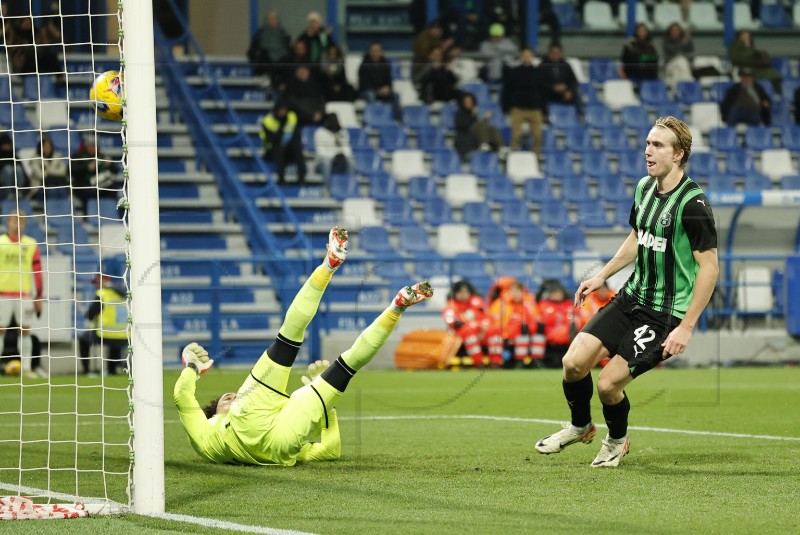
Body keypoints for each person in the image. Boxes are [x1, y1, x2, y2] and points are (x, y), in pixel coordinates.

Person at [535, 116, 719, 467]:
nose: (648, 151)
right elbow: (638, 237)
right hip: (632, 296)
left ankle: (617, 441)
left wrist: (687, 326)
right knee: (573, 363)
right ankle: (580, 425)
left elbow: (710, 268)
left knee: (607, 385)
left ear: (679, 154)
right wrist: (602, 275)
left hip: (666, 313)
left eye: (658, 145)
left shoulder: (693, 206)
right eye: (648, 143)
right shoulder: (644, 188)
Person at [175, 227, 434, 465]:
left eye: (230, 396)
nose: (231, 397)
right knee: (288, 338)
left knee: (346, 366)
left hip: (280, 444)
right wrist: (192, 368)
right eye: (226, 399)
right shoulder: (207, 434)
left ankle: (397, 307)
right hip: (249, 421)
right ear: (213, 415)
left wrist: (324, 405)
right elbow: (181, 397)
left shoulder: (209, 442)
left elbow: (329, 451)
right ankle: (328, 265)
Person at [0, 211, 44, 377]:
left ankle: (26, 368)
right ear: (8, 223)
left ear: (25, 224)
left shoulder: (31, 244)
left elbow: (37, 271)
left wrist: (38, 295)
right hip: (2, 294)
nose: (17, 224)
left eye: (20, 221)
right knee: (0, 330)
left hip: (23, 295)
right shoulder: (1, 242)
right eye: (13, 221)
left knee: (25, 329)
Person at [78, 266, 128, 376]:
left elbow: (90, 314)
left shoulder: (102, 294)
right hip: (125, 335)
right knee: (114, 344)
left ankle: (87, 371)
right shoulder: (123, 294)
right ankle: (112, 370)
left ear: (104, 280)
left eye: (97, 281)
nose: (96, 285)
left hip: (105, 333)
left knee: (83, 339)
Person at [442, 280, 503, 367]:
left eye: (465, 292)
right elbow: (450, 320)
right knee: (468, 331)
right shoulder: (451, 305)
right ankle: (478, 362)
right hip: (462, 335)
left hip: (480, 330)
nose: (463, 295)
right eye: (460, 293)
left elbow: (486, 317)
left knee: (495, 330)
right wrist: (472, 327)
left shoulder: (477, 302)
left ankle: (495, 362)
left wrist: (483, 328)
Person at [488, 279, 546, 368]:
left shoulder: (529, 304)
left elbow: (536, 320)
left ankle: (530, 362)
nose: (515, 294)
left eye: (518, 291)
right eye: (512, 291)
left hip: (523, 334)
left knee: (533, 335)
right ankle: (495, 364)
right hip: (504, 334)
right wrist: (508, 334)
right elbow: (494, 321)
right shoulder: (500, 304)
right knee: (495, 337)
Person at [502, 48, 545, 156]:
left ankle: (536, 158)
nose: (526, 57)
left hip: (535, 108)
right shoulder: (514, 72)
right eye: (524, 55)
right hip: (518, 108)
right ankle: (512, 156)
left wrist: (543, 109)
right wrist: (506, 107)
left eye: (528, 55)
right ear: (521, 56)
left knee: (537, 135)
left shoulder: (538, 72)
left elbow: (543, 92)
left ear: (532, 57)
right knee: (516, 135)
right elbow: (507, 90)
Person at [536, 279, 581, 369]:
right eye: (554, 293)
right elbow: (541, 320)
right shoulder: (542, 305)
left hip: (569, 335)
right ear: (549, 294)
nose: (557, 295)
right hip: (549, 335)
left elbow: (578, 317)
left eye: (559, 293)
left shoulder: (570, 305)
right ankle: (537, 362)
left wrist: (575, 323)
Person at [70, 135, 121, 214]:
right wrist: (87, 167)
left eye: (94, 145)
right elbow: (73, 171)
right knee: (87, 191)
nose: (92, 148)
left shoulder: (102, 156)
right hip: (84, 185)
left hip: (101, 185)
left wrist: (110, 165)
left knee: (112, 189)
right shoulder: (78, 156)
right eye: (90, 145)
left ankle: (110, 214)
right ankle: (89, 215)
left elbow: (116, 171)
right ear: (85, 146)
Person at [260, 102, 305, 184]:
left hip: (287, 145)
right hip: (271, 146)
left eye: (285, 110)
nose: (283, 112)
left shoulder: (291, 116)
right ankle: (281, 179)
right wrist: (281, 127)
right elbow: (270, 139)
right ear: (276, 111)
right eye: (281, 110)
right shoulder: (268, 121)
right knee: (278, 150)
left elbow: (295, 133)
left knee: (297, 149)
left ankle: (301, 178)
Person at [454, 92, 505, 161]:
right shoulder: (460, 113)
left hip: (477, 133)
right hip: (467, 135)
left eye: (470, 101)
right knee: (480, 124)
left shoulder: (474, 113)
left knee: (492, 128)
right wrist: (472, 115)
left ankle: (501, 148)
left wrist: (485, 118)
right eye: (466, 101)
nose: (468, 103)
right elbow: (463, 125)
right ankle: (484, 144)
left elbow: (480, 126)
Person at [358, 42, 402, 119]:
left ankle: (397, 121)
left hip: (382, 91)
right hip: (368, 91)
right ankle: (373, 119)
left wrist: (387, 88)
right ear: (370, 52)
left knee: (395, 96)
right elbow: (363, 83)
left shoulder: (385, 64)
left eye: (378, 51)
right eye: (374, 51)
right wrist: (376, 90)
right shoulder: (364, 65)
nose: (376, 53)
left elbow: (389, 81)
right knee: (370, 95)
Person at [247, 10, 291, 78]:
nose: (271, 21)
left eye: (273, 19)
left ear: (277, 20)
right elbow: (252, 51)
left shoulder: (283, 33)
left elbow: (288, 48)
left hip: (281, 61)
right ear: (266, 20)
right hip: (266, 60)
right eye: (270, 19)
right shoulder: (260, 33)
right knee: (263, 55)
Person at [538, 44, 579, 109]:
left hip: (564, 92)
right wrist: (552, 87)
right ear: (549, 53)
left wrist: (568, 90)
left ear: (561, 53)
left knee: (576, 93)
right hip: (549, 92)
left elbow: (573, 80)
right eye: (553, 53)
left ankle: (580, 115)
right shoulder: (543, 66)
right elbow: (540, 82)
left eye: (557, 53)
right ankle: (545, 116)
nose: (555, 55)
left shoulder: (566, 65)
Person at [314, 113, 353, 180]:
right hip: (324, 160)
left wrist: (343, 154)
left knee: (351, 161)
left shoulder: (343, 132)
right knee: (326, 162)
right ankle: (327, 188)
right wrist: (334, 155)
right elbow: (320, 152)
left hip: (340, 160)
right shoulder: (320, 132)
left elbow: (347, 148)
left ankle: (349, 185)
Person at [662, 23, 694, 91]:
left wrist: (688, 40)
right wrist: (683, 43)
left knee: (677, 73)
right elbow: (673, 50)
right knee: (681, 60)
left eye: (677, 30)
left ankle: (675, 93)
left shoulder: (685, 41)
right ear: (670, 32)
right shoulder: (667, 41)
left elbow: (691, 52)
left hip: (681, 67)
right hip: (669, 66)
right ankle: (690, 86)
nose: (675, 32)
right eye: (673, 30)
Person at [0, 133, 27, 200]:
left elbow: (23, 171)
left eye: (8, 145)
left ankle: (19, 192)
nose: (6, 146)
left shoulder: (15, 156)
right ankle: (9, 194)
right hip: (3, 183)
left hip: (17, 182)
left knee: (17, 168)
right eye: (4, 145)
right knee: (7, 169)